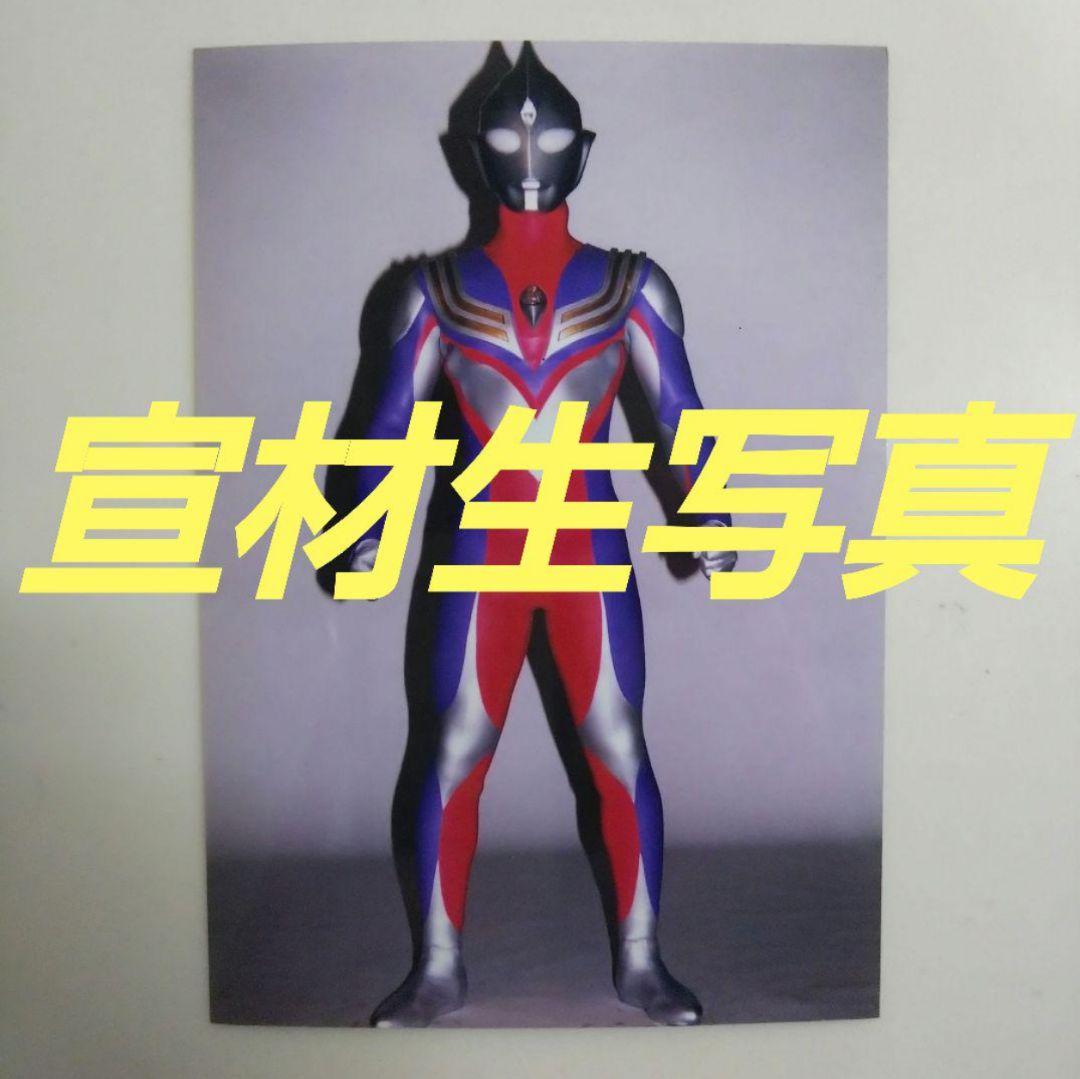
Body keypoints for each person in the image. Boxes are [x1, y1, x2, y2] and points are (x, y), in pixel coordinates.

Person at [351, 42, 736, 1027]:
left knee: (616, 742)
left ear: (583, 151)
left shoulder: (631, 285)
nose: (529, 153)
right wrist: (362, 520)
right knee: (455, 746)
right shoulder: (432, 290)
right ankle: (439, 964)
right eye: (512, 138)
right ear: (473, 154)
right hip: (482, 548)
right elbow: (385, 426)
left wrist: (707, 504)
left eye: (548, 138)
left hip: (580, 548)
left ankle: (641, 957)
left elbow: (680, 412)